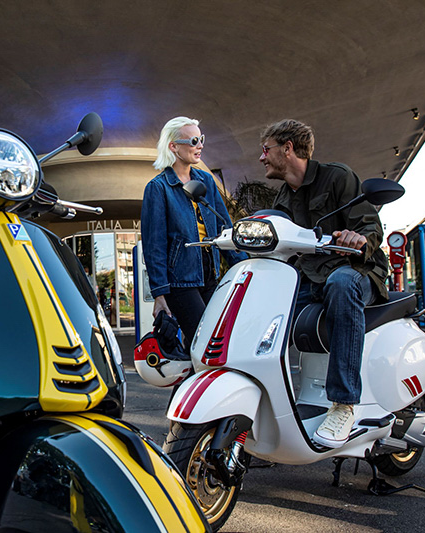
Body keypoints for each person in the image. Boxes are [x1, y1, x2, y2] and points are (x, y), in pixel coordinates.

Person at [259, 119, 388, 448]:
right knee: (264, 303)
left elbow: (371, 226)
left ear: (287, 149)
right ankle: (263, 403)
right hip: (312, 276)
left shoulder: (337, 177)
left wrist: (359, 238)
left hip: (356, 271)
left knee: (341, 284)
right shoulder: (282, 201)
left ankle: (343, 404)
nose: (262, 158)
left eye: (266, 149)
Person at [141, 117, 246, 353]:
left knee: (205, 345)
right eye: (193, 140)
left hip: (210, 275)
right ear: (173, 147)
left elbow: (225, 229)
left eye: (202, 139)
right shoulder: (158, 188)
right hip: (181, 281)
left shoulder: (206, 180)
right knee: (206, 343)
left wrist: (244, 267)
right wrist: (159, 294)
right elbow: (154, 245)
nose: (200, 145)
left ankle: (187, 390)